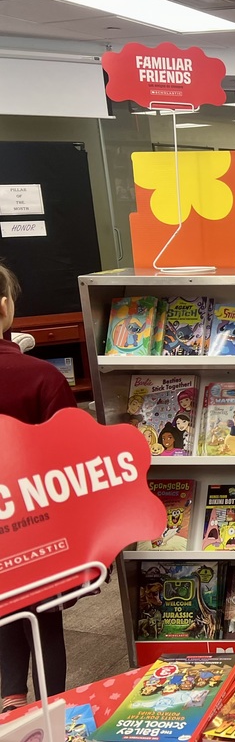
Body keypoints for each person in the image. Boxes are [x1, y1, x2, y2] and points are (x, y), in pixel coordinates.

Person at [0, 261, 77, 713]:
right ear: (6, 307)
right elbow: (70, 459)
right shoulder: (42, 378)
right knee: (45, 619)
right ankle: (53, 710)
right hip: (37, 523)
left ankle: (11, 703)